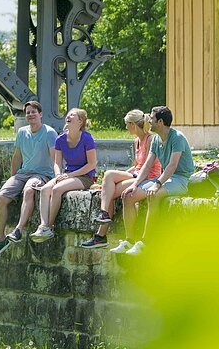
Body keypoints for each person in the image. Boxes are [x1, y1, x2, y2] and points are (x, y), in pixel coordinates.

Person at [112, 105, 194, 255]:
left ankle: (144, 242)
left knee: (154, 195)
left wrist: (157, 184)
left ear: (161, 122)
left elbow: (172, 166)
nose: (148, 119)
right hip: (166, 178)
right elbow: (147, 164)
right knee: (127, 196)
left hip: (181, 179)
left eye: (152, 117)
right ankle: (129, 240)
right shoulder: (156, 139)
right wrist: (135, 185)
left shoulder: (177, 138)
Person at [79, 109, 160, 251]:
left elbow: (147, 167)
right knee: (108, 188)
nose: (126, 127)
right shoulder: (137, 141)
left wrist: (121, 179)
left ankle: (101, 233)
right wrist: (119, 176)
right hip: (137, 174)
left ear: (133, 125)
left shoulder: (151, 139)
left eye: (127, 124)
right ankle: (101, 231)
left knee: (109, 180)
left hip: (148, 177)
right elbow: (136, 165)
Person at [0, 100, 58, 258]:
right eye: (28, 112)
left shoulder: (49, 132)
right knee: (0, 199)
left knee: (29, 190)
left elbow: (55, 159)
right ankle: (0, 240)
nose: (31, 114)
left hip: (42, 174)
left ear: (40, 114)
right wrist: (13, 178)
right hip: (22, 173)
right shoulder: (22, 132)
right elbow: (17, 157)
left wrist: (56, 177)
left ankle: (18, 230)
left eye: (34, 111)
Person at [31, 108, 97, 242]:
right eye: (68, 115)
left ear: (80, 121)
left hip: (84, 177)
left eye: (72, 115)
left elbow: (91, 164)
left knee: (56, 190)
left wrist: (70, 175)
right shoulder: (60, 139)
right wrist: (58, 175)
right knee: (44, 189)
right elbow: (56, 162)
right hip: (67, 175)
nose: (69, 116)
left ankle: (49, 227)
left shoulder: (87, 138)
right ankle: (43, 226)